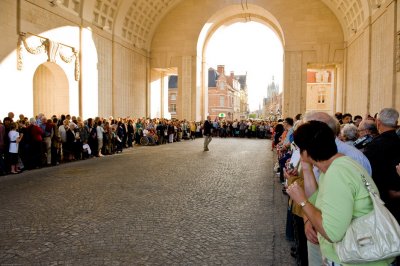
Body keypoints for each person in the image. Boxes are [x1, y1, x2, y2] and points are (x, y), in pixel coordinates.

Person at [286, 120, 394, 266]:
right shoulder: (338, 165)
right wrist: (306, 166)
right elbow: (317, 200)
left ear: (306, 151)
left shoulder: (337, 173)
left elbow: (332, 233)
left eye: (300, 149)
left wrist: (302, 201)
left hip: (355, 259)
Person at [363, 108, 400, 223]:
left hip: (380, 198)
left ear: (378, 123)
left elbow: (368, 171)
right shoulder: (398, 141)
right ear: (396, 123)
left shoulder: (374, 145)